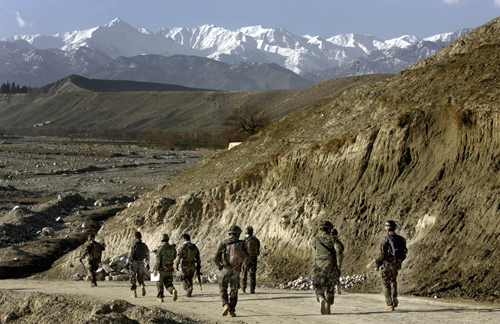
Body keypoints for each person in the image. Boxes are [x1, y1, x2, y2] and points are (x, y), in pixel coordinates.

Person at [214, 225, 248, 317]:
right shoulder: (242, 243)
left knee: (222, 287)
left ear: (230, 233)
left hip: (225, 268)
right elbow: (246, 257)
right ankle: (232, 311)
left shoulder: (224, 242)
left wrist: (219, 266)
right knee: (234, 290)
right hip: (236, 269)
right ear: (238, 233)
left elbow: (216, 257)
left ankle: (225, 304)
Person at [375, 220, 408, 311]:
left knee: (386, 283)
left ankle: (389, 304)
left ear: (386, 229)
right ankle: (395, 299)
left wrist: (377, 264)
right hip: (396, 265)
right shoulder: (401, 239)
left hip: (386, 265)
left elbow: (381, 254)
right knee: (393, 281)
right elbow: (405, 252)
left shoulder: (385, 239)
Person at [313, 220, 341, 315]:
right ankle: (328, 307)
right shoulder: (333, 239)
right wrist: (339, 264)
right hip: (330, 267)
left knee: (318, 286)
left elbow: (315, 248)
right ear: (329, 229)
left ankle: (321, 299)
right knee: (330, 287)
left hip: (319, 267)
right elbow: (339, 251)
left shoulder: (316, 239)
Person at [153, 233, 178, 302]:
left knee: (159, 283)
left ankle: (160, 298)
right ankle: (172, 290)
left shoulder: (161, 248)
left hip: (161, 269)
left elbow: (158, 261)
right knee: (168, 283)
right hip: (170, 269)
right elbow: (174, 257)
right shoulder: (173, 248)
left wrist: (155, 270)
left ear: (161, 240)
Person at [175, 233, 201, 297]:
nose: (182, 240)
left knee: (182, 278)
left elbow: (179, 257)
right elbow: (198, 257)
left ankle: (187, 288)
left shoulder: (183, 247)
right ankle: (190, 292)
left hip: (185, 265)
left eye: (182, 239)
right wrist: (198, 265)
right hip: (192, 265)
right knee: (190, 278)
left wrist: (177, 264)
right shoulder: (194, 246)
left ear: (185, 239)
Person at [128, 231, 150, 298]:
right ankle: (142, 285)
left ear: (135, 237)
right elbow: (147, 255)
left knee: (132, 277)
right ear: (141, 237)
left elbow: (130, 255)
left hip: (134, 262)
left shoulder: (133, 245)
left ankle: (134, 293)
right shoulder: (144, 245)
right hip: (141, 263)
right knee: (140, 277)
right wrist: (147, 263)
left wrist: (128, 263)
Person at [240, 226, 260, 293]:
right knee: (252, 274)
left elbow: (241, 249)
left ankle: (243, 288)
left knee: (244, 273)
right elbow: (258, 247)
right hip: (253, 258)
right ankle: (252, 289)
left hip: (246, 259)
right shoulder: (255, 239)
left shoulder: (244, 239)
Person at [331, 228, 344, 295]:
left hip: (327, 262)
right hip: (334, 261)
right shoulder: (337, 243)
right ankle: (337, 288)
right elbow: (339, 253)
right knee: (336, 274)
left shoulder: (326, 242)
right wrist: (339, 264)